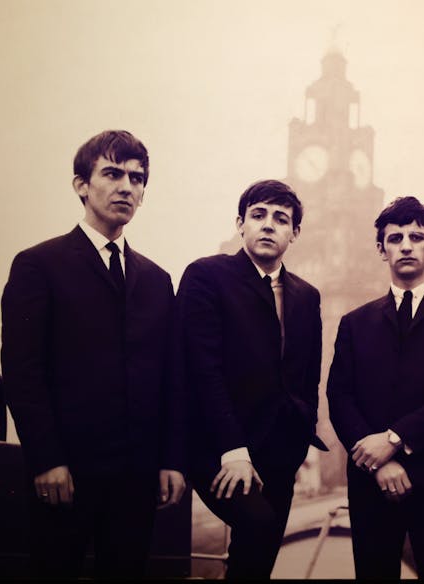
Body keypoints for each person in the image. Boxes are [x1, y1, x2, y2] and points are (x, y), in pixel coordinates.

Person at [0, 130, 187, 578]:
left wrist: (171, 460)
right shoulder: (38, 265)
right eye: (112, 173)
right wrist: (46, 459)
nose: (127, 186)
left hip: (138, 478)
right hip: (66, 474)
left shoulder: (157, 280)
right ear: (81, 184)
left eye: (137, 178)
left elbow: (171, 378)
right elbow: (23, 371)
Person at [327, 196, 424, 580]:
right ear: (382, 250)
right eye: (395, 238)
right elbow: (339, 396)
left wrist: (394, 440)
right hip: (371, 482)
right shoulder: (354, 322)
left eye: (417, 237)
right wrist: (377, 461)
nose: (406, 245)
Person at [175, 179, 327, 579]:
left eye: (281, 219)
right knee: (256, 525)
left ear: (294, 233)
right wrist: (232, 450)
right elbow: (201, 369)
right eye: (258, 215)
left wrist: (301, 434)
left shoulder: (306, 295)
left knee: (257, 562)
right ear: (240, 224)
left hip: (279, 451)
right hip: (217, 447)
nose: (268, 225)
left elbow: (307, 375)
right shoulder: (207, 275)